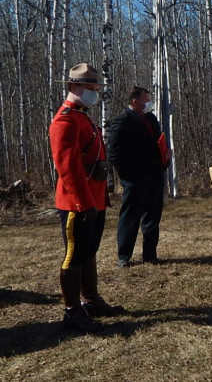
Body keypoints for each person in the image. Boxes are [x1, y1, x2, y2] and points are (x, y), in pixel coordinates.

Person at [49, 63, 122, 332]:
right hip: (76, 203)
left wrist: (99, 199)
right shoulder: (65, 120)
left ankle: (90, 300)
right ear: (72, 87)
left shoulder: (83, 116)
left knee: (89, 251)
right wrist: (82, 203)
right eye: (90, 87)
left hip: (94, 199)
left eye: (95, 87)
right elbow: (68, 168)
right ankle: (72, 311)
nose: (94, 92)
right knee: (74, 255)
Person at [107, 86, 168, 268]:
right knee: (130, 216)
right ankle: (124, 255)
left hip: (155, 175)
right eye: (146, 99)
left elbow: (158, 141)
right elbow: (115, 154)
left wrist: (165, 155)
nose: (148, 102)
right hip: (134, 178)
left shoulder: (151, 119)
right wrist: (127, 177)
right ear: (135, 101)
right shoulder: (122, 121)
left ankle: (150, 254)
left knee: (153, 215)